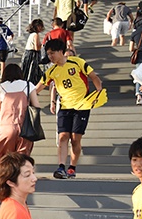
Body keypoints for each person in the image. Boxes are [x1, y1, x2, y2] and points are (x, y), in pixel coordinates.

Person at [40, 38, 104, 179]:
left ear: (61, 52)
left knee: (75, 139)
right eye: (48, 54)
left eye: (52, 53)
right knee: (63, 136)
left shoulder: (77, 62)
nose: (50, 56)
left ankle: (72, 167)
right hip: (64, 107)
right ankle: (61, 167)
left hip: (82, 106)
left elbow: (94, 77)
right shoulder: (51, 71)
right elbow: (39, 87)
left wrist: (98, 92)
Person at [0, 63, 41, 180]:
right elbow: (36, 106)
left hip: (7, 127)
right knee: (22, 158)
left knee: (1, 155)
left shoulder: (1, 87)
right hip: (25, 127)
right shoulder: (28, 85)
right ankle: (22, 178)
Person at [20, 19, 45, 86]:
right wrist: (42, 45)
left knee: (26, 71)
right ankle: (31, 87)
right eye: (40, 26)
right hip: (32, 54)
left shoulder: (32, 34)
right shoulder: (36, 35)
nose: (41, 28)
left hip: (27, 53)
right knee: (32, 72)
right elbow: (37, 48)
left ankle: (26, 85)